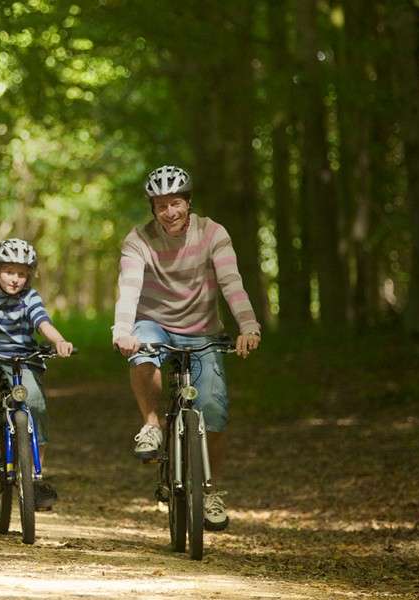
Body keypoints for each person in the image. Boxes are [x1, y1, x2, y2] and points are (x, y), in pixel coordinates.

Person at [112, 165, 261, 530]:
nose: (169, 212)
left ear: (188, 203)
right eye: (161, 206)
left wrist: (248, 325)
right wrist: (122, 329)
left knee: (214, 410)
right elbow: (129, 287)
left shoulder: (213, 234)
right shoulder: (138, 240)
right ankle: (151, 424)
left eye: (175, 203)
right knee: (142, 348)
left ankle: (210, 490)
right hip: (155, 324)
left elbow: (232, 283)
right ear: (153, 209)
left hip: (203, 332)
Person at [0, 238, 74, 511]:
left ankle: (35, 475)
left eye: (22, 274)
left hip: (23, 359)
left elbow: (42, 322)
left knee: (35, 404)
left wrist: (59, 341)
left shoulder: (30, 297)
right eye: (9, 272)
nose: (15, 279)